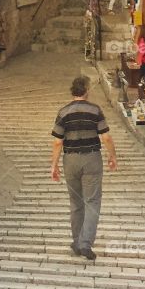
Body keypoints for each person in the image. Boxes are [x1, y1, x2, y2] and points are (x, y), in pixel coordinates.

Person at [50, 75, 118, 260]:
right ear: (87, 90)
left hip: (70, 160)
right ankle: (85, 243)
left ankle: (76, 241)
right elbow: (106, 138)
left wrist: (54, 166)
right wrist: (112, 156)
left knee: (76, 203)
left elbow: (58, 142)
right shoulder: (95, 110)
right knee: (92, 201)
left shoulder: (63, 112)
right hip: (92, 159)